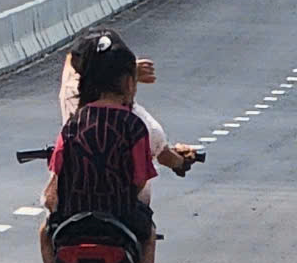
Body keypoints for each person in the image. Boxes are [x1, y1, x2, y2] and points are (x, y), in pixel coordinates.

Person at [42, 33, 160, 263]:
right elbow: (139, 179)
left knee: (43, 233)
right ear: (128, 83)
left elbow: (58, 175)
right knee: (149, 236)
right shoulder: (134, 126)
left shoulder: (72, 124)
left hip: (72, 224)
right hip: (119, 223)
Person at [56, 28, 198, 184]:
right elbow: (149, 169)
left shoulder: (71, 127)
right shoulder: (134, 126)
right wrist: (180, 162)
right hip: (124, 203)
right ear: (128, 83)